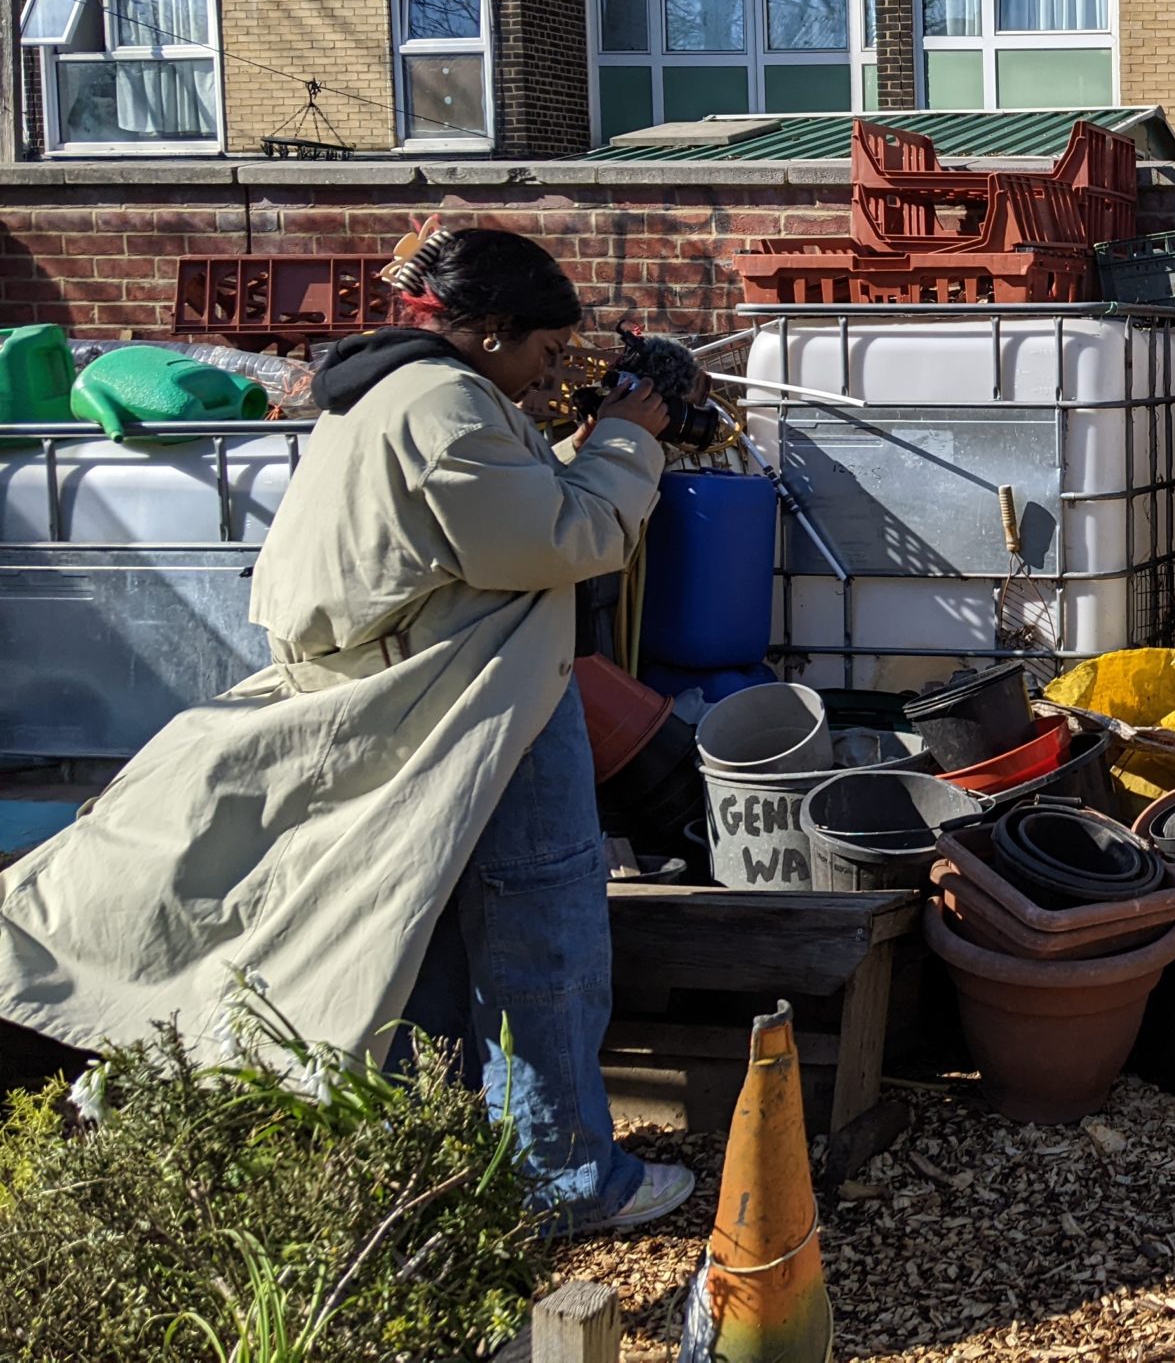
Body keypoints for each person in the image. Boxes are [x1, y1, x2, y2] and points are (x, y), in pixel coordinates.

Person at [0, 226, 694, 1233]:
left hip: (416, 702)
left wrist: (585, 444)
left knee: (431, 940)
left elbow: (499, 517)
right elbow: (561, 538)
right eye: (544, 354)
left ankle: (443, 1159)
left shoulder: (383, 394)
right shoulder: (447, 410)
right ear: (491, 331)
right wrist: (629, 439)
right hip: (476, 703)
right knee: (542, 934)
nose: (552, 376)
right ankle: (561, 1179)